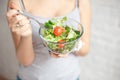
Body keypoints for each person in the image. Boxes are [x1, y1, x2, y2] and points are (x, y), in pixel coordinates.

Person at [6, 0, 91, 80]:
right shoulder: (17, 3)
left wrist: (68, 46)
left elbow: (84, 50)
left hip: (70, 76)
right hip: (32, 77)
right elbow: (25, 61)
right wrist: (26, 35)